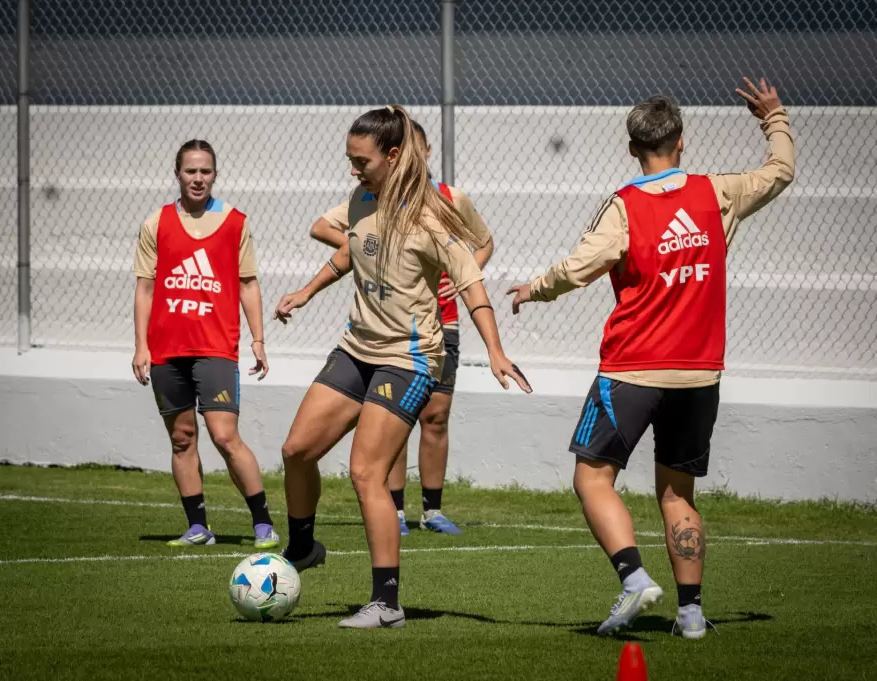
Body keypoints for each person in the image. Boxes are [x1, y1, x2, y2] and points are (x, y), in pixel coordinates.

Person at [506, 77, 795, 638]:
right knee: (676, 492)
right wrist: (774, 117)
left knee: (592, 478)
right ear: (681, 141)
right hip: (700, 372)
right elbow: (780, 171)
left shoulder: (624, 206)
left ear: (633, 147)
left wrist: (533, 289)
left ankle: (635, 579)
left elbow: (578, 268)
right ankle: (690, 615)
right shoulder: (717, 192)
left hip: (632, 368)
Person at [274, 105, 531, 629]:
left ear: (393, 156)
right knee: (296, 451)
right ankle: (302, 548)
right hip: (356, 349)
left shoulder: (433, 216)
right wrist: (306, 290)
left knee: (366, 472)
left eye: (361, 160)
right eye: (349, 159)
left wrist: (496, 351)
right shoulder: (361, 197)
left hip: (409, 361)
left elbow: (472, 285)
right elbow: (351, 252)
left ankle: (387, 603)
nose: (352, 169)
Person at [309, 120, 495, 536]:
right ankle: (393, 508)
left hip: (441, 322)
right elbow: (326, 228)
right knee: (395, 418)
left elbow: (481, 244)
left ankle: (432, 510)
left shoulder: (449, 200)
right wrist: (366, 252)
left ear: (425, 153)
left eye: (420, 148)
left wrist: (457, 274)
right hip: (389, 333)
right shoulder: (369, 198)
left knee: (436, 416)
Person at [131, 139, 279, 549]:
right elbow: (145, 289)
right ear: (177, 173)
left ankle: (263, 523)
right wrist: (141, 346)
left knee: (224, 436)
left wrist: (259, 339)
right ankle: (198, 527)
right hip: (166, 350)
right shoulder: (155, 223)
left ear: (215, 174)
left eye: (205, 171)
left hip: (216, 347)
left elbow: (248, 284)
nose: (198, 178)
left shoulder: (235, 221)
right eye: (190, 171)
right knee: (181, 438)